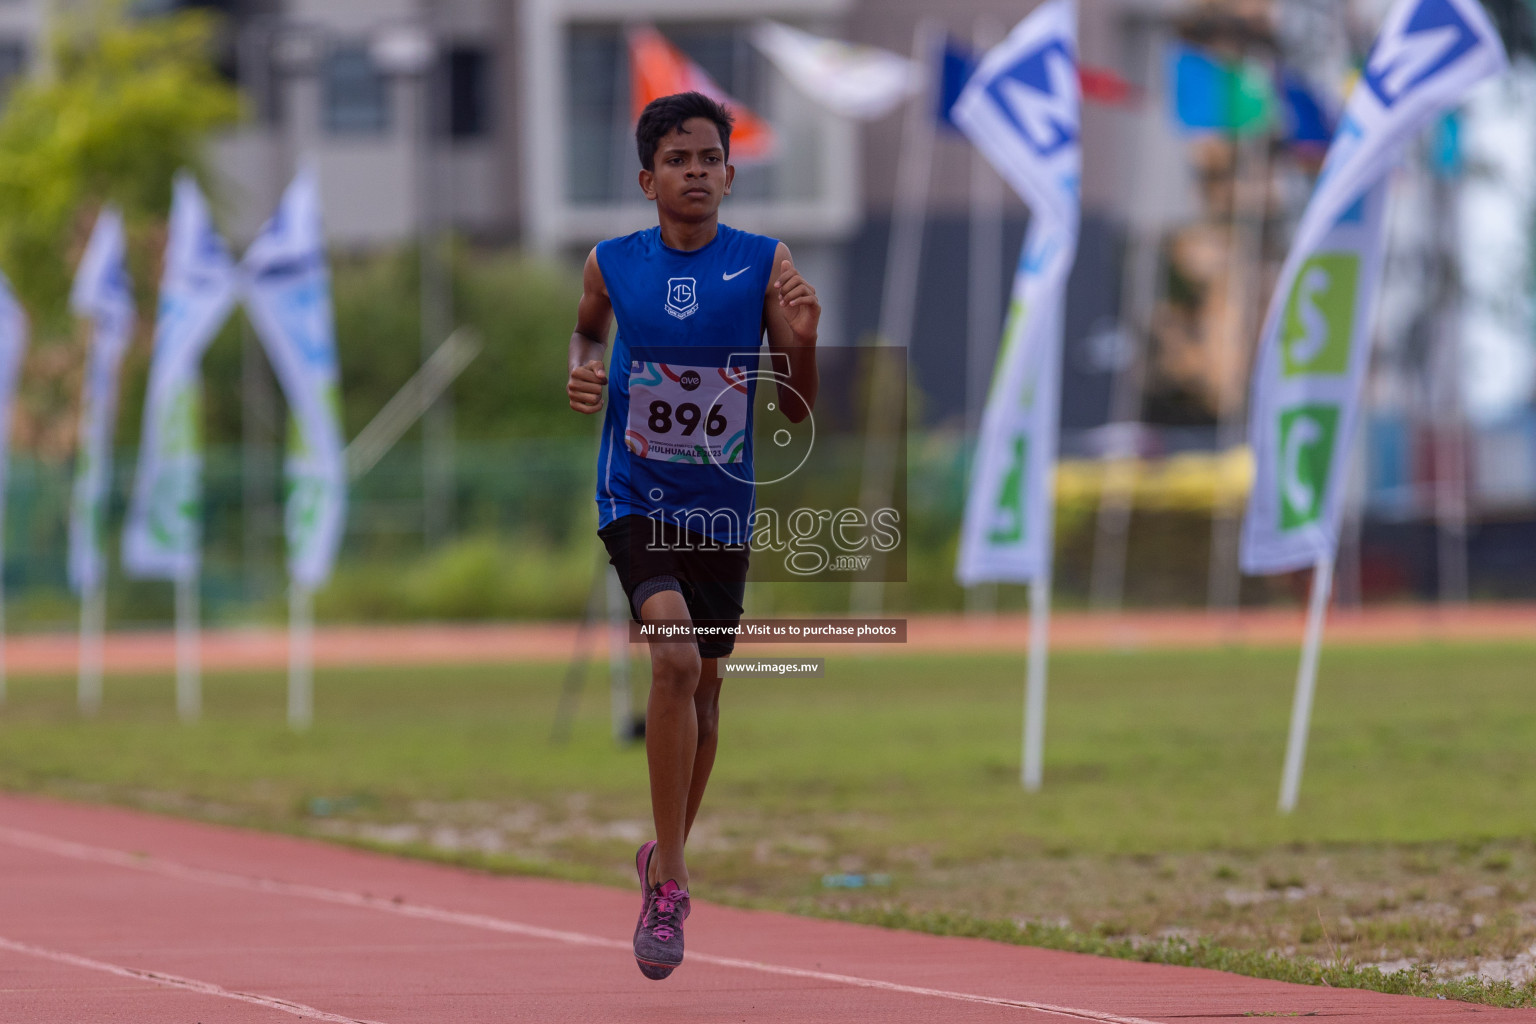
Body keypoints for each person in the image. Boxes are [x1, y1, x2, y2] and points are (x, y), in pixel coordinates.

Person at [566, 90, 820, 980]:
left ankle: (658, 860)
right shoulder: (610, 262)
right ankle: (672, 884)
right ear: (648, 178)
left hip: (720, 504)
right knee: (671, 661)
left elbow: (794, 405)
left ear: (730, 173)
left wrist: (808, 340)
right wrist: (583, 373)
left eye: (710, 159)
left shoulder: (763, 264)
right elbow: (587, 331)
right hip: (634, 491)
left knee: (707, 691)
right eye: (678, 160)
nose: (697, 173)